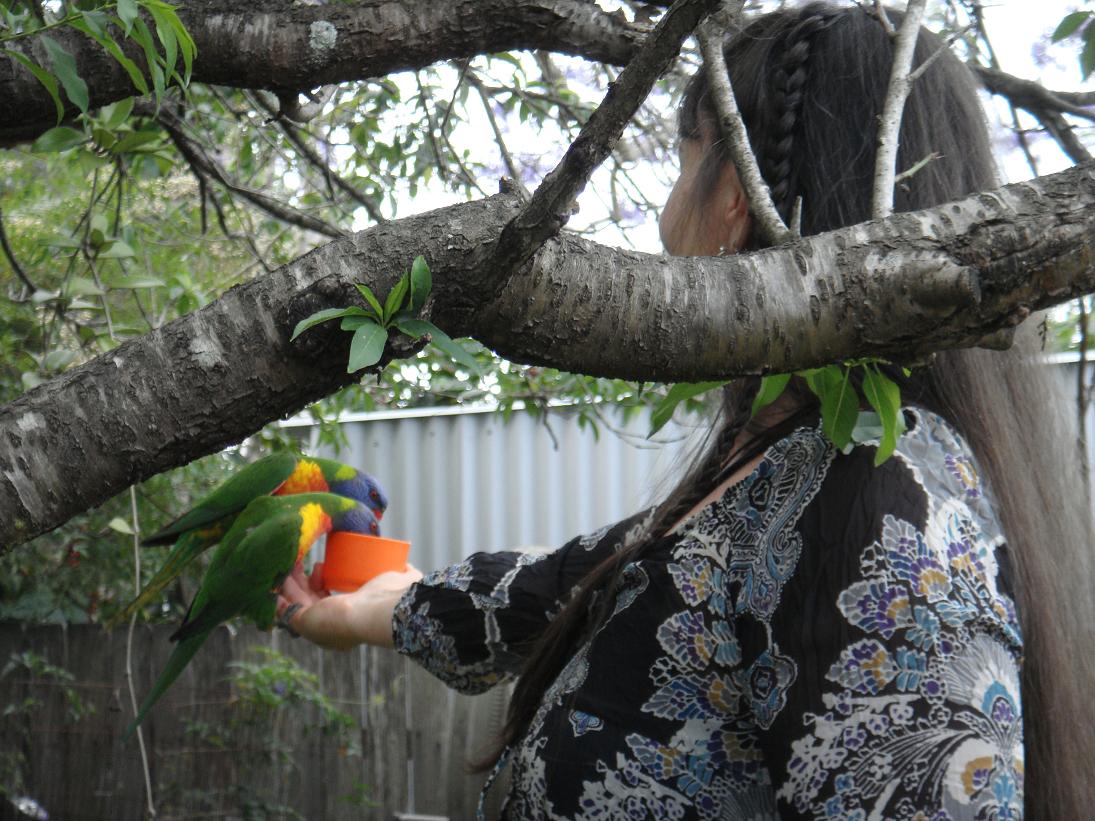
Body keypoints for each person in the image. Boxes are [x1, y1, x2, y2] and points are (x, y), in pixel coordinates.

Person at [276, 4, 1095, 818]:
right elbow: (565, 587)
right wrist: (357, 610)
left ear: (733, 195)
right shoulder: (768, 481)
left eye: (681, 157)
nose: (666, 212)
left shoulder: (875, 489)